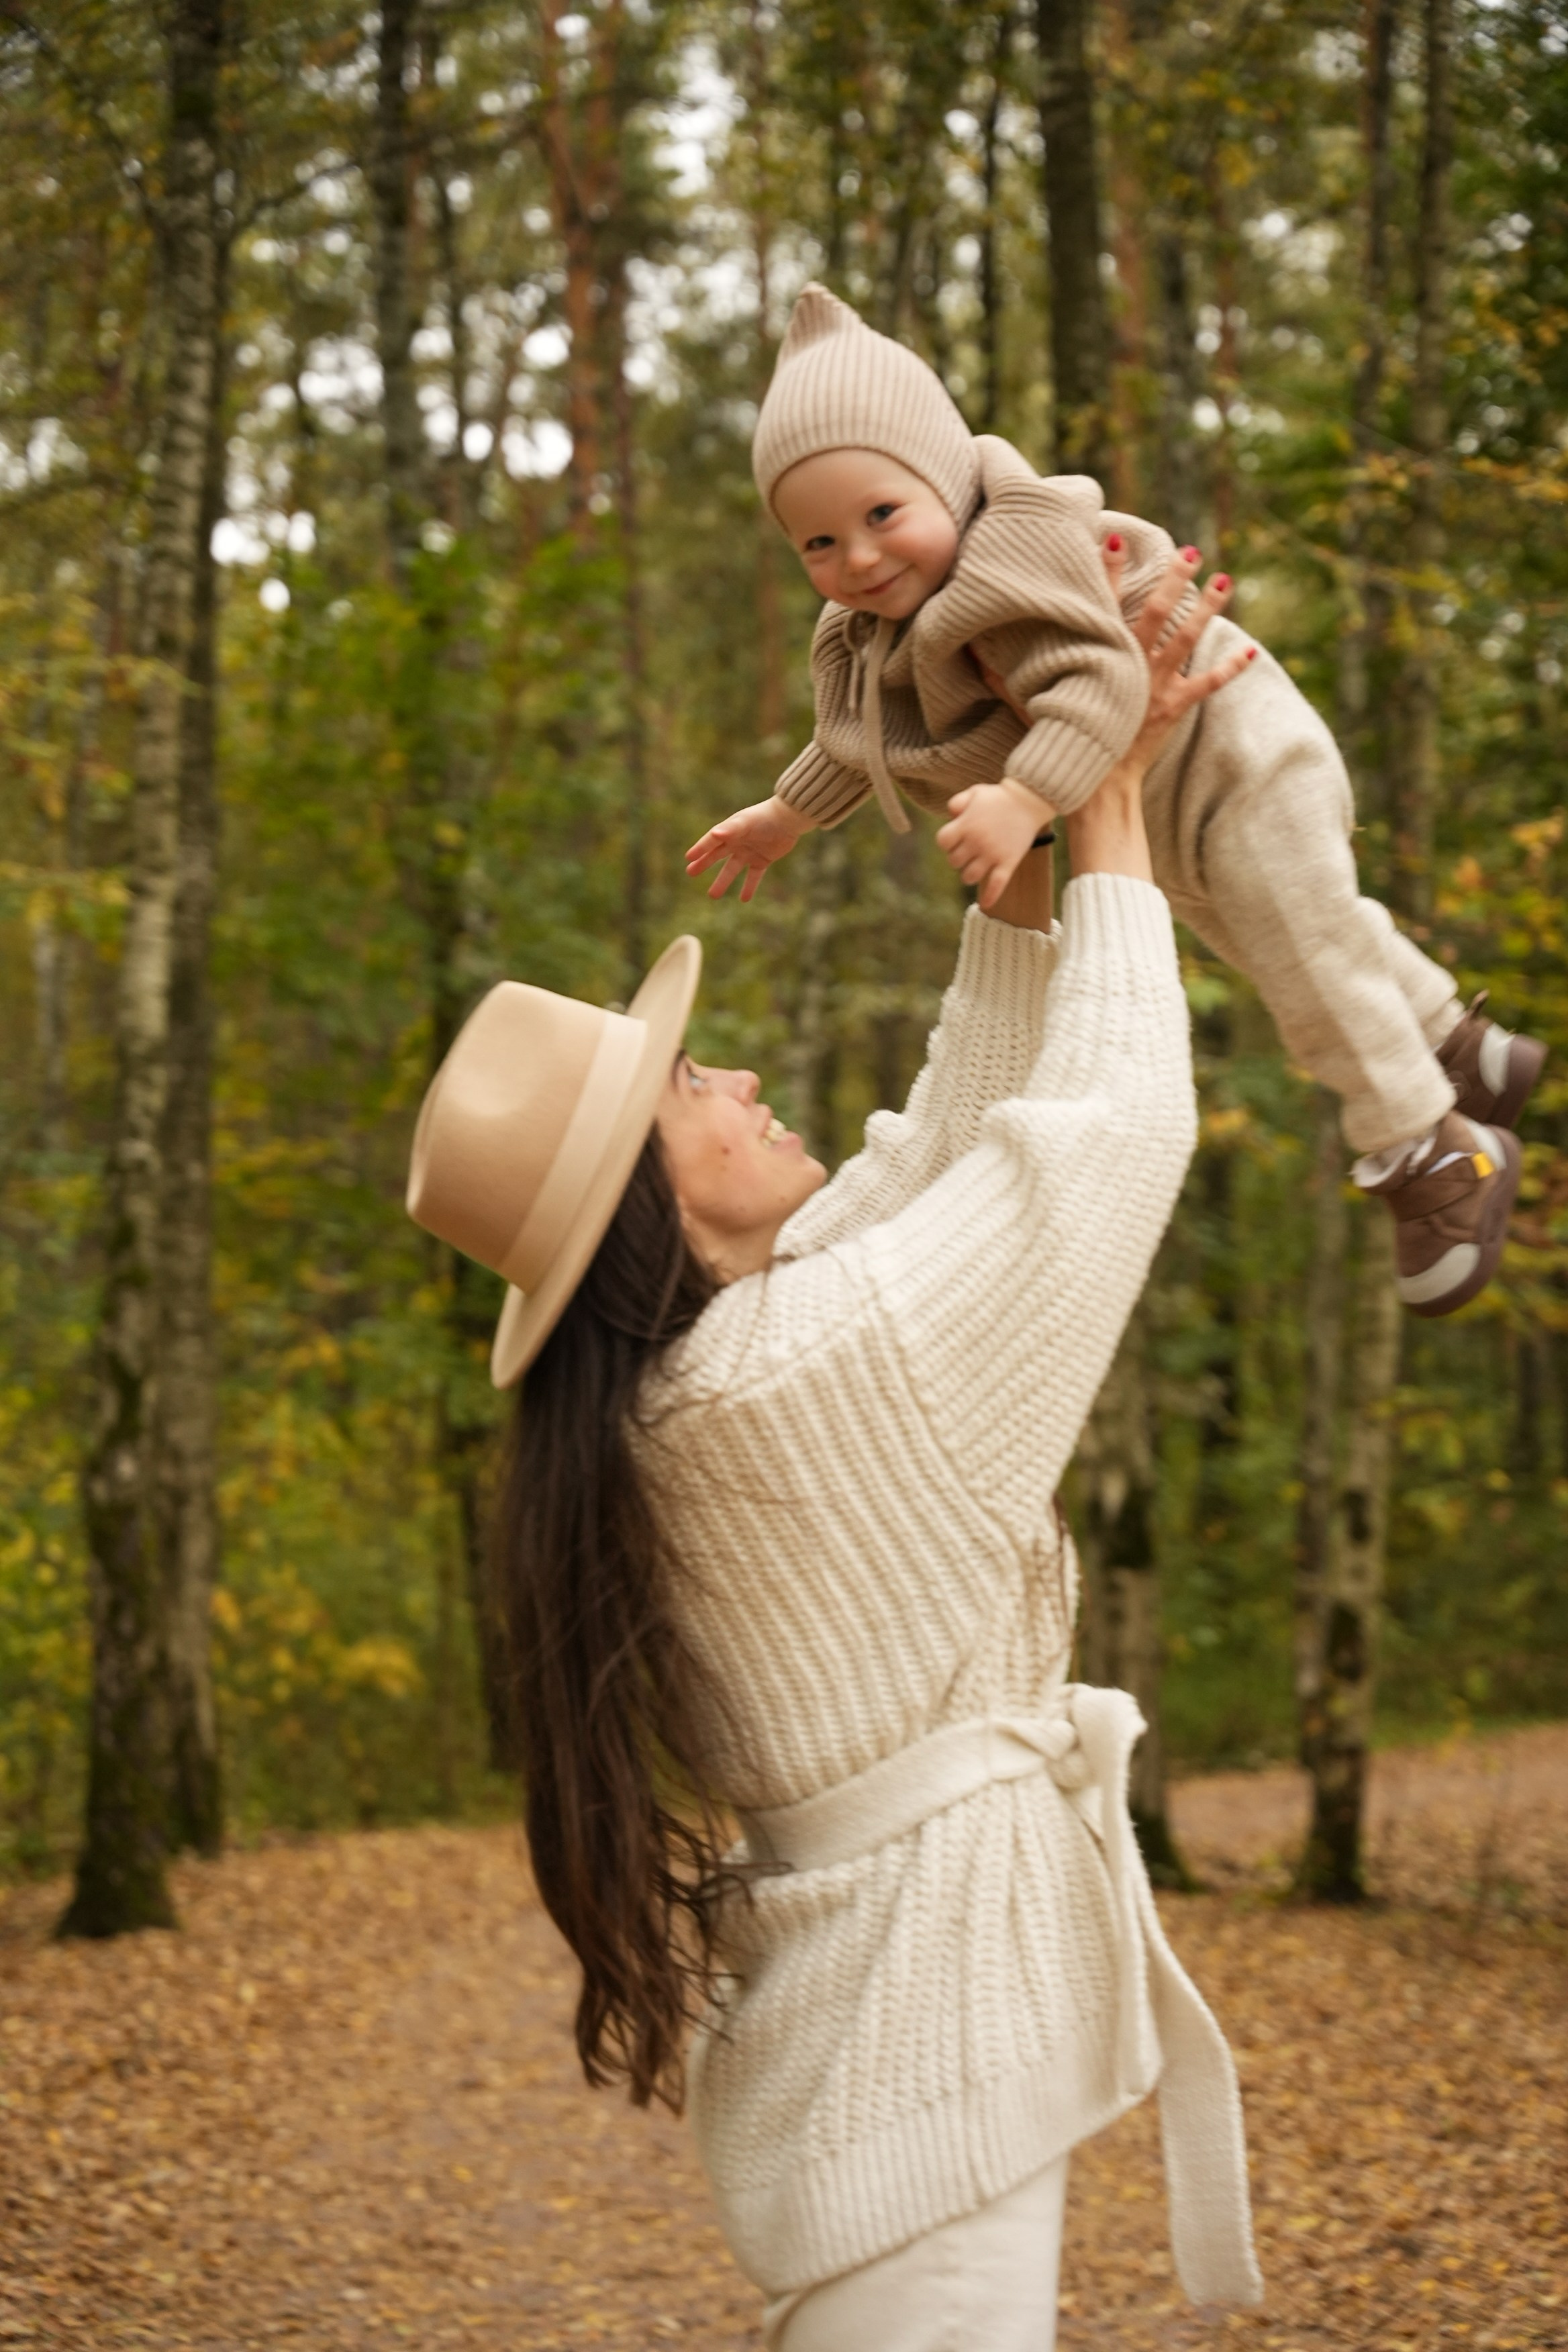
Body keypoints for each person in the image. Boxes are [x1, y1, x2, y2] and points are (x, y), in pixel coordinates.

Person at [406, 554, 1259, 2349]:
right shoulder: (789, 1376)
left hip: (889, 2020)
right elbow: (1103, 1140)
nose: (731, 1080)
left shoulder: (710, 1376)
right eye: (686, 1088)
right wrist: (1110, 806)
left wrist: (1015, 855)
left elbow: (942, 1162)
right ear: (640, 1211)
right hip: (917, 2028)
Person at [686, 281, 1545, 1320]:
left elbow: (1100, 680)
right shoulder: (874, 629)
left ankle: (1430, 1149)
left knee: (1298, 947)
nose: (858, 558)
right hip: (1163, 806)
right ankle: (1460, 1049)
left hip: (1231, 747)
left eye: (881, 515)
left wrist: (1023, 796)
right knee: (1291, 933)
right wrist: (786, 816)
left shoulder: (1016, 552)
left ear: (947, 483)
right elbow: (864, 736)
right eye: (819, 544)